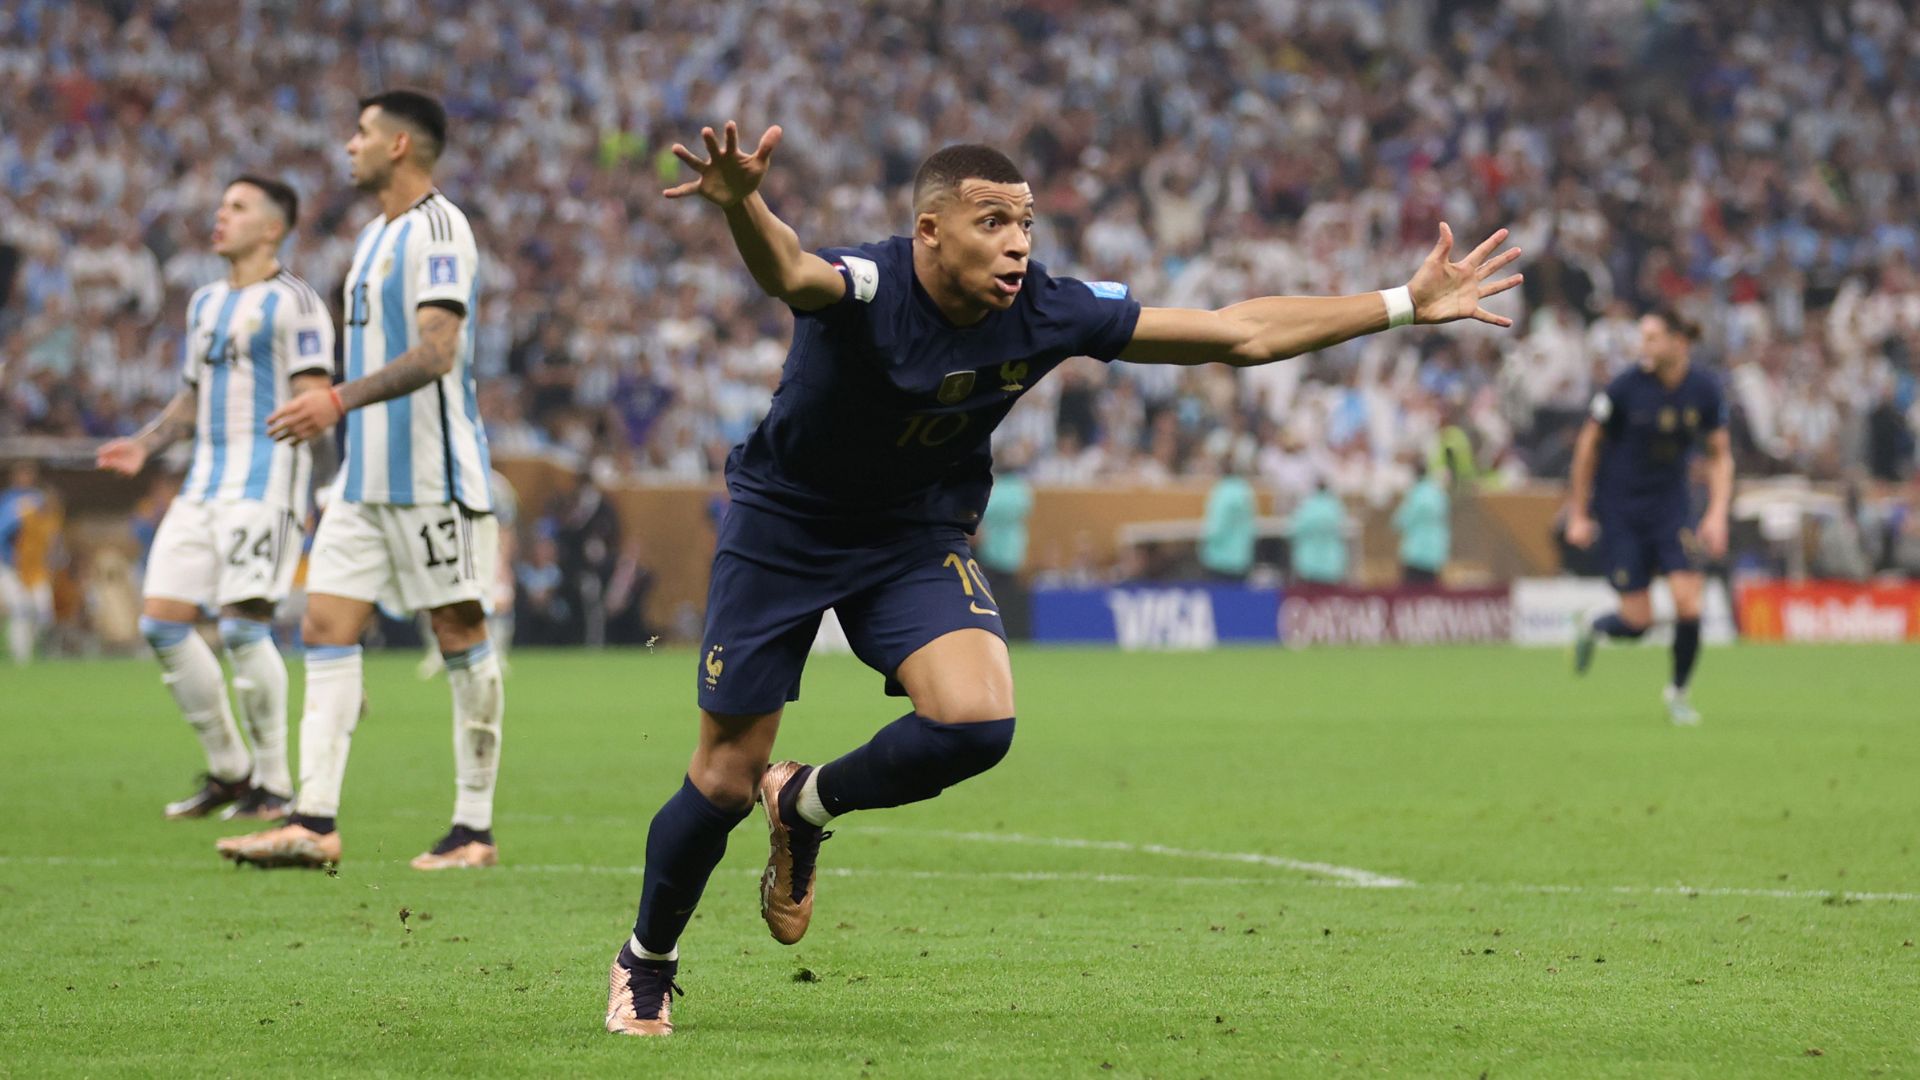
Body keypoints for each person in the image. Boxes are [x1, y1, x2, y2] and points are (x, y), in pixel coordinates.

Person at [600, 121, 1523, 1037]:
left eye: (1026, 223)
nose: (1017, 244)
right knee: (724, 778)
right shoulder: (870, 282)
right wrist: (743, 205)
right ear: (930, 232)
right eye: (993, 222)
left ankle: (803, 803)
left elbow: (1237, 334)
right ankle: (647, 962)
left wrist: (1403, 300)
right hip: (785, 528)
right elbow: (792, 271)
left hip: (912, 532)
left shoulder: (1047, 308)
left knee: (977, 722)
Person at [217, 90, 505, 871]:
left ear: (402, 145)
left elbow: (438, 350)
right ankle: (313, 821)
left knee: (458, 633)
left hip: (432, 478)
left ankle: (472, 829)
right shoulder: (374, 235)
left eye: (363, 133)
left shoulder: (441, 227)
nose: (349, 145)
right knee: (324, 629)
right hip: (361, 478)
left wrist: (335, 398)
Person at [96, 177, 335, 820]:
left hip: (268, 483)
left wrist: (323, 487)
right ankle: (231, 771)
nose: (220, 216)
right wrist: (148, 444)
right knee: (161, 623)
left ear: (272, 228)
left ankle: (275, 785)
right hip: (202, 483)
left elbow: (316, 399)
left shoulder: (298, 303)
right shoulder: (203, 303)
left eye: (237, 207)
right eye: (222, 205)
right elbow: (193, 395)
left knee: (240, 626)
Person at [1568, 307, 1732, 726]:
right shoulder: (1625, 388)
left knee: (1687, 602)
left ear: (1679, 342)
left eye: (1652, 337)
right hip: (1621, 510)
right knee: (1637, 622)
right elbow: (1588, 446)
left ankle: (1678, 692)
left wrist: (1716, 514)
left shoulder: (1705, 390)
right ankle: (1592, 624)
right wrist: (1579, 512)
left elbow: (1720, 455)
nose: (1643, 346)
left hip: (1671, 507)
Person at [0, 461, 50, 665]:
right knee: (19, 609)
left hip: (36, 567)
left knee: (43, 610)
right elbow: (4, 531)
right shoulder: (8, 501)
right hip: (11, 566)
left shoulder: (40, 500)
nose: (25, 478)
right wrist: (18, 516)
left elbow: (49, 533)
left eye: (28, 473)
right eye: (21, 473)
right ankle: (21, 658)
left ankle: (37, 648)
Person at [1197, 461, 1258, 582]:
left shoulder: (1221, 493)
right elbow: (1252, 526)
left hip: (1219, 559)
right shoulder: (1246, 491)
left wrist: (1202, 544)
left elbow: (1215, 528)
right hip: (1242, 557)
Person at [1392, 461, 1450, 586]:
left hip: (1415, 553)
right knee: (1431, 592)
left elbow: (1401, 521)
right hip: (1435, 552)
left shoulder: (1416, 494)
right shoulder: (1438, 493)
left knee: (1412, 594)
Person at [1287, 480, 1350, 585]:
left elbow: (1293, 531)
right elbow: (1343, 528)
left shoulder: (1306, 506)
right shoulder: (1335, 506)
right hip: (1332, 564)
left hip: (1308, 563)